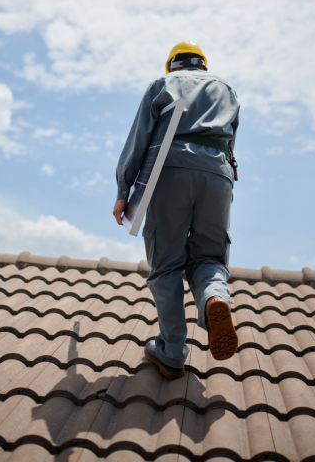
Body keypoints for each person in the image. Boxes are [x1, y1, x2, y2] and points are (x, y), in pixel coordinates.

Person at [113, 40, 240, 379]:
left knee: (166, 264)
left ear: (173, 65)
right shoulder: (227, 89)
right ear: (202, 64)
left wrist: (123, 190)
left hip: (170, 172)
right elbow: (231, 143)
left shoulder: (163, 84)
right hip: (218, 174)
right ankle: (215, 298)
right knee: (209, 258)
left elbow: (139, 139)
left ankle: (171, 353)